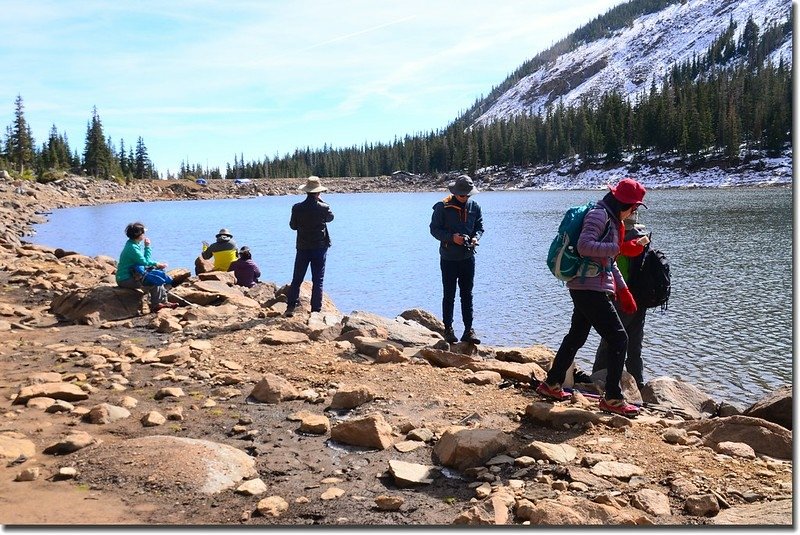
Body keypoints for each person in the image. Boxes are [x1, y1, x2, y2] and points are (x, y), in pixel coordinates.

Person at [536, 177, 647, 417]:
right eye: (634, 207)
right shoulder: (599, 215)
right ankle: (613, 399)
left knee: (576, 336)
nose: (634, 212)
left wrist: (623, 289)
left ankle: (552, 384)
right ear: (624, 203)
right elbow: (585, 246)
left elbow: (608, 263)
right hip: (588, 288)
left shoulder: (611, 218)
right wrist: (621, 248)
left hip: (590, 286)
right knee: (619, 339)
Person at [593, 214, 650, 390]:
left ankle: (598, 379)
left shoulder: (617, 239)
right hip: (640, 297)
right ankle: (638, 385)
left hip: (621, 297)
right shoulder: (643, 237)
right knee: (634, 345)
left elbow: (614, 267)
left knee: (610, 340)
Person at [429, 174, 484, 345]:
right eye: (462, 195)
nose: (465, 197)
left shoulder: (475, 206)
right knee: (449, 295)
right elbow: (434, 230)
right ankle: (448, 330)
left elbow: (480, 226)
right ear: (455, 193)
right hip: (448, 259)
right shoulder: (442, 207)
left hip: (468, 258)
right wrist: (452, 238)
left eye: (468, 195)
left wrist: (476, 238)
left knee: (467, 295)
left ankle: (468, 331)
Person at [285, 176, 334, 317]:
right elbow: (331, 218)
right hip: (319, 247)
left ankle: (290, 307)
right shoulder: (324, 207)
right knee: (317, 279)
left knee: (297, 278)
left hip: (302, 247)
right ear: (318, 193)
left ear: (306, 191)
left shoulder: (297, 207)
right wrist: (322, 202)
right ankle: (316, 310)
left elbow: (293, 226)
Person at [116, 222, 178, 312]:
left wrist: (153, 261)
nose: (144, 235)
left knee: (156, 276)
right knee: (153, 282)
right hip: (125, 279)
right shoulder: (132, 248)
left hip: (133, 274)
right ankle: (156, 305)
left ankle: (164, 302)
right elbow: (144, 262)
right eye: (143, 233)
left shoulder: (133, 244)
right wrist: (149, 250)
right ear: (138, 235)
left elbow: (143, 261)